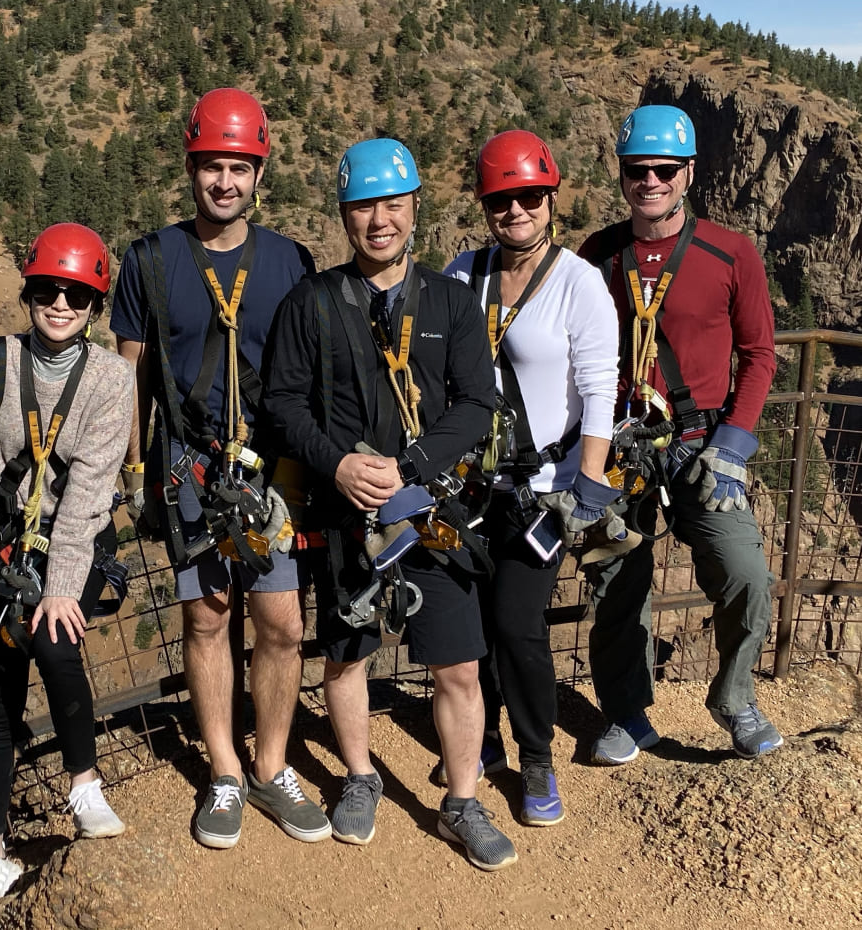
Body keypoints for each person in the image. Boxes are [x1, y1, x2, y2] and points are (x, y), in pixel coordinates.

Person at [262, 138, 518, 869]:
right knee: (346, 658)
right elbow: (282, 403)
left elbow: (477, 404)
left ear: (415, 209)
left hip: (431, 512)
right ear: (344, 214)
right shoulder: (310, 303)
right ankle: (360, 776)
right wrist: (338, 464)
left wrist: (410, 466)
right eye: (365, 206)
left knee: (458, 666)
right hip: (347, 515)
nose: (380, 220)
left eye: (393, 205)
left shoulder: (452, 302)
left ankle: (462, 801)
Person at [110, 87, 326, 850]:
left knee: (282, 623)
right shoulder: (149, 260)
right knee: (206, 617)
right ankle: (226, 772)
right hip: (189, 466)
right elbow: (129, 375)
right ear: (191, 169)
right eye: (211, 167)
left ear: (258, 174)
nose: (224, 182)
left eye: (238, 168)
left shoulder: (291, 262)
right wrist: (132, 473)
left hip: (268, 466)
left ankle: (270, 766)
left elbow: (307, 371)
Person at [576, 104, 782, 764]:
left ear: (689, 173)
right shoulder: (598, 257)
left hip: (701, 444)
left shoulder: (730, 254)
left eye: (665, 170)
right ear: (623, 175)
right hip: (619, 443)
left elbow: (760, 354)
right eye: (638, 170)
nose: (651, 182)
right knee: (615, 581)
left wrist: (734, 446)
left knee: (745, 573)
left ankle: (735, 697)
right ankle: (626, 712)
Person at [441, 130, 620, 826]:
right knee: (474, 618)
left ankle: (536, 756)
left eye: (528, 197)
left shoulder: (578, 284)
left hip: (545, 485)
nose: (515, 210)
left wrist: (590, 484)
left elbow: (599, 390)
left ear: (551, 199)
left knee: (519, 624)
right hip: (473, 483)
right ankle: (480, 738)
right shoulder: (464, 273)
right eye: (501, 199)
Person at [0, 223, 131, 926]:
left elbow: (89, 492)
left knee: (55, 636)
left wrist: (60, 585)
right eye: (48, 291)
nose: (60, 305)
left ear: (94, 305)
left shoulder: (111, 378)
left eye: (77, 295)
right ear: (29, 292)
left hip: (74, 538)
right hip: (0, 544)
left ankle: (83, 782)